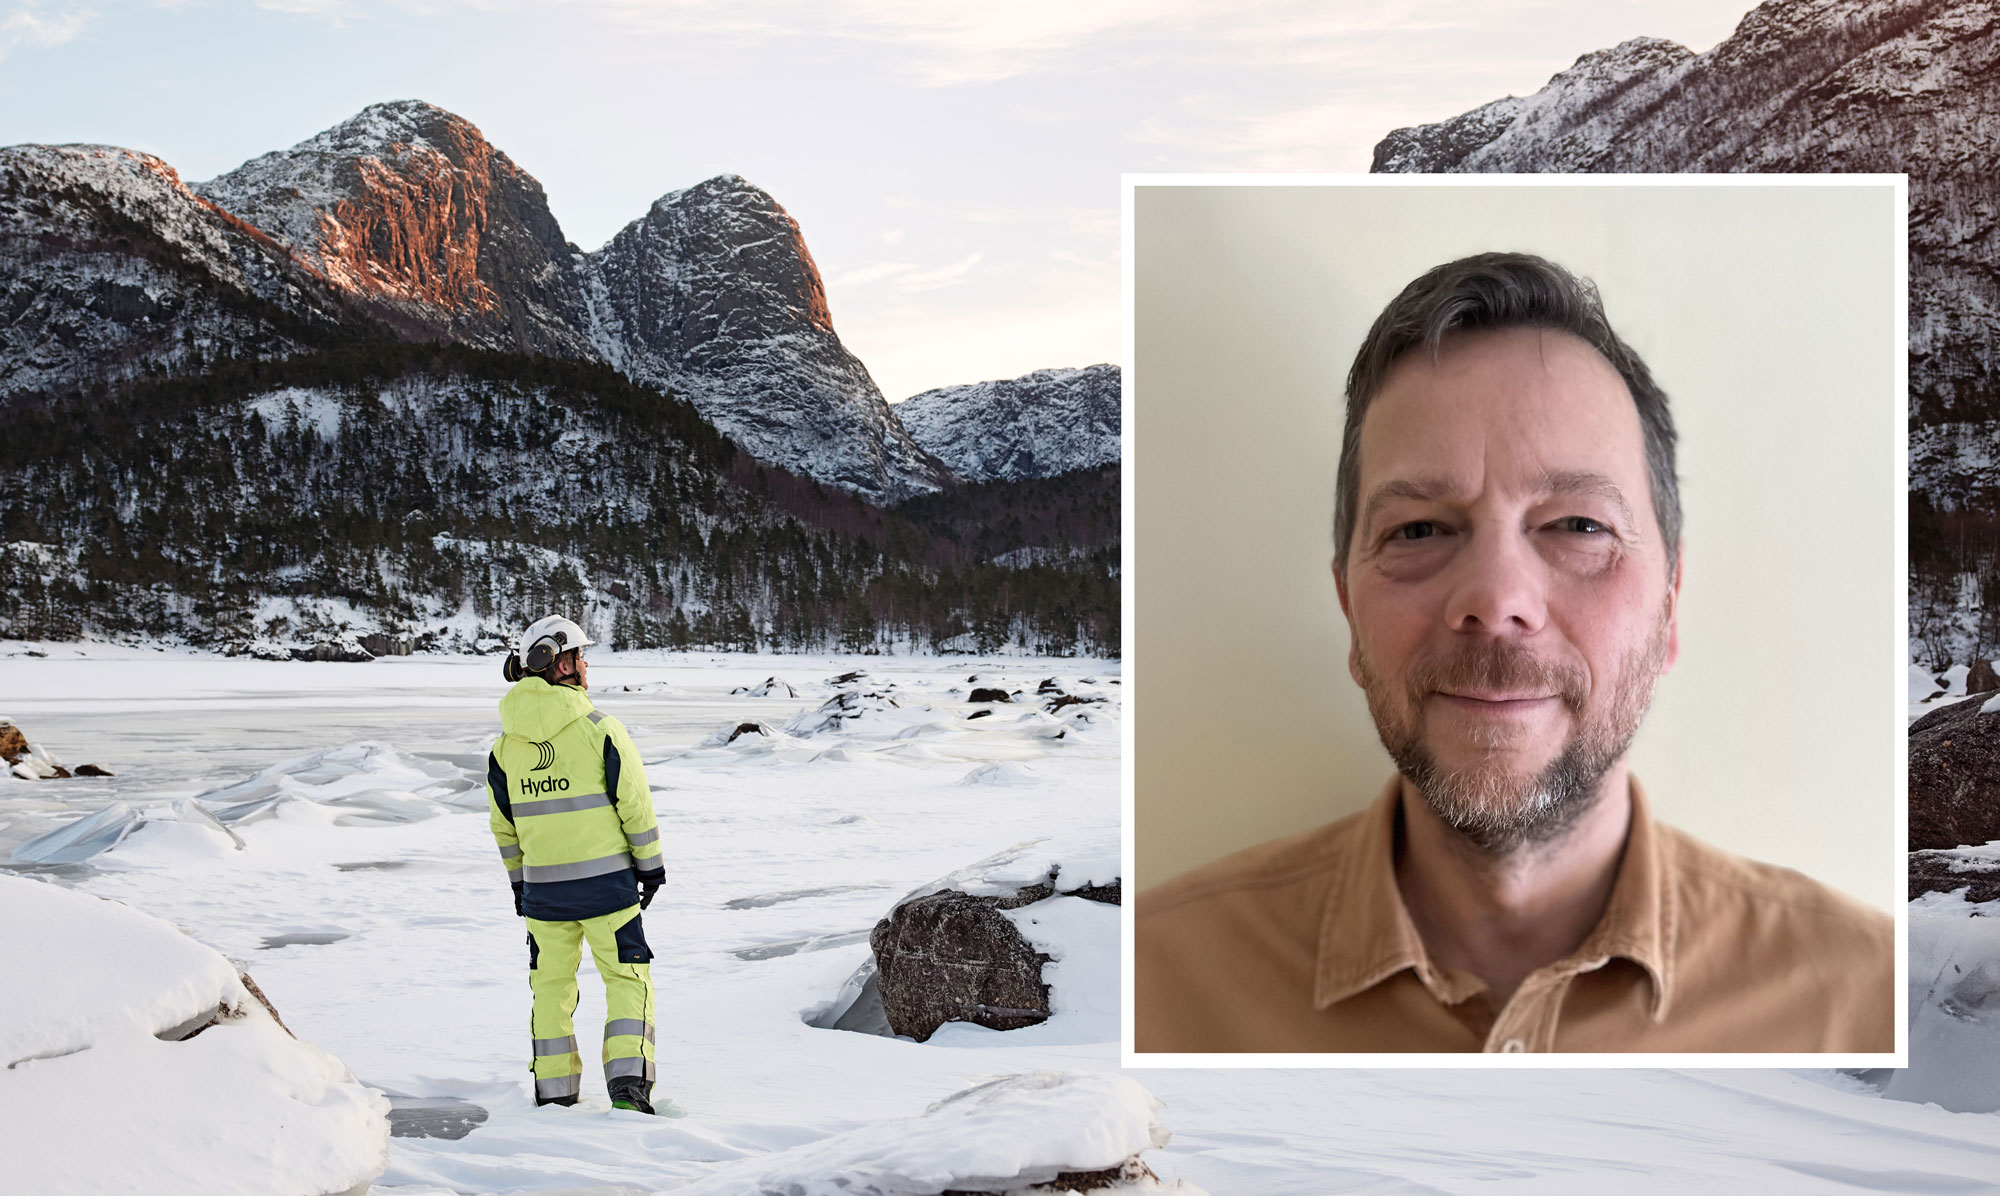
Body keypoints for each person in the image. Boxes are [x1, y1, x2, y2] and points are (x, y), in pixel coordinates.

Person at [1135, 252, 1893, 1053]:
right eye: (1419, 529)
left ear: (1669, 606)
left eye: (1577, 526)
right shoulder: (1158, 984)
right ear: (1349, 612)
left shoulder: (1863, 1000)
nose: (1496, 603)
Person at [486, 615, 666, 1108]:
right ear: (558, 661)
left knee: (550, 991)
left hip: (544, 894)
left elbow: (504, 828)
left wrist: (520, 884)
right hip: (609, 887)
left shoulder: (504, 749)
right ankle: (629, 1089)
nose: (587, 666)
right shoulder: (600, 729)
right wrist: (650, 868)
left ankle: (555, 1095)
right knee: (628, 981)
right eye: (581, 656)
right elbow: (634, 804)